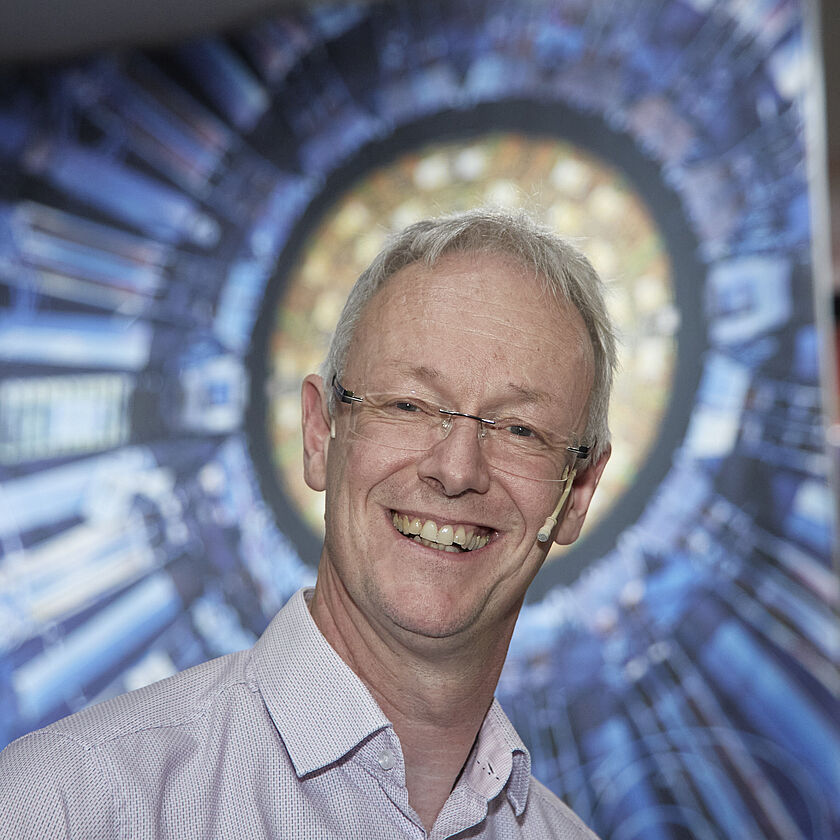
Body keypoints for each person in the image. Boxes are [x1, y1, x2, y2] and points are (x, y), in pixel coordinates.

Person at [0, 207, 615, 838]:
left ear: (578, 493)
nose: (457, 470)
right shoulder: (67, 805)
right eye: (407, 404)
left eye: (519, 430)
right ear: (320, 434)